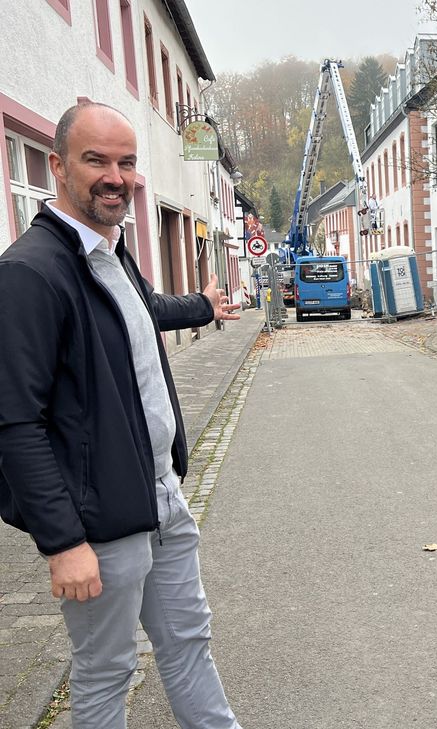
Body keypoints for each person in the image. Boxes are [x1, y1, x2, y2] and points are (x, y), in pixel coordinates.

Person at [0, 102, 243, 729]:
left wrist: (204, 307)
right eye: (97, 160)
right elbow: (14, 424)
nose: (116, 176)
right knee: (107, 672)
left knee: (189, 641)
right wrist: (63, 542)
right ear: (57, 166)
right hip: (99, 523)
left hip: (160, 496)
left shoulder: (110, 249)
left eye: (127, 163)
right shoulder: (30, 273)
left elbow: (142, 312)